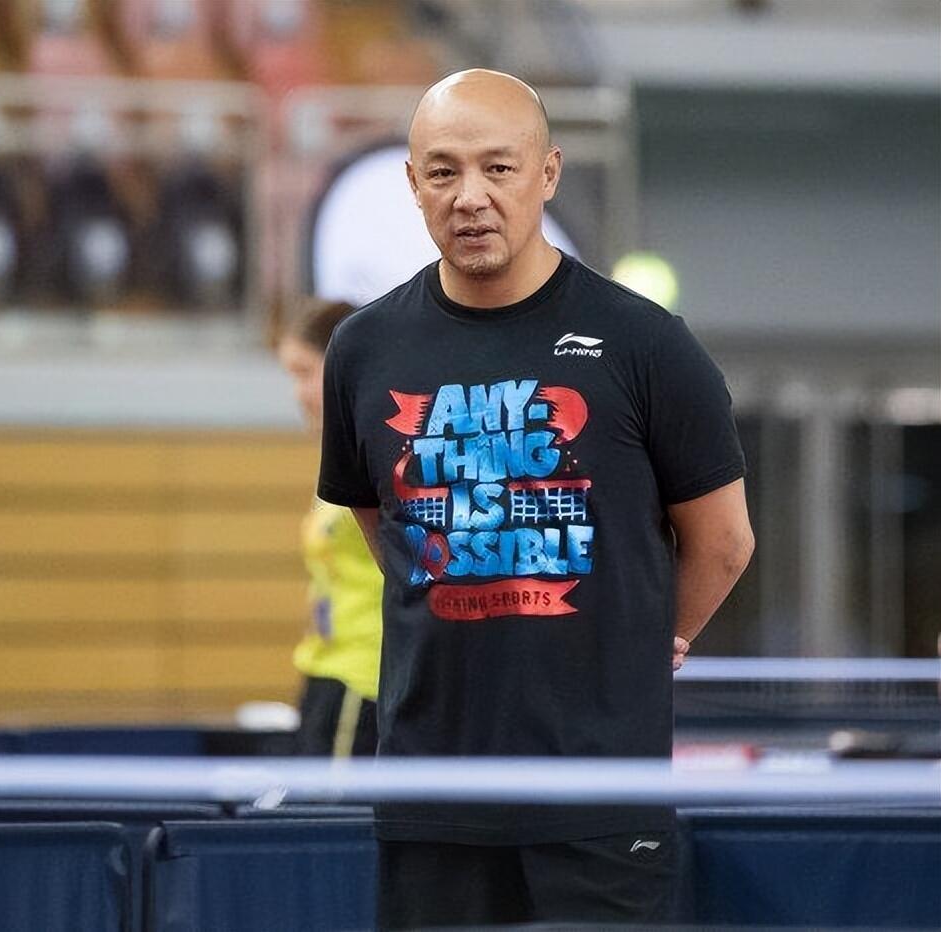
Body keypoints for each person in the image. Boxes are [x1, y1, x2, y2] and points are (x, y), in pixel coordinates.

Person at [316, 69, 755, 927]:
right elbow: (385, 526)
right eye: (443, 172)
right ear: (412, 184)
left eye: (498, 168)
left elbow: (725, 541)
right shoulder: (362, 350)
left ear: (548, 173)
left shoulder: (644, 342)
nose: (470, 197)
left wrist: (646, 641)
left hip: (600, 799)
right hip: (432, 792)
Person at [277, 298, 384, 757]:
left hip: (363, 681)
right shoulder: (337, 456)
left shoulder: (380, 455)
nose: (298, 393)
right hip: (325, 670)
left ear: (344, 367)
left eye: (306, 373)